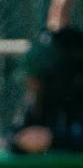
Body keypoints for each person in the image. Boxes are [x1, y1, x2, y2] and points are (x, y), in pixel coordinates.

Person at [6, 26, 83, 154]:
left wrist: (52, 139)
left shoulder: (77, 97)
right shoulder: (37, 102)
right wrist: (18, 141)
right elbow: (10, 137)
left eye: (37, 79)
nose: (31, 84)